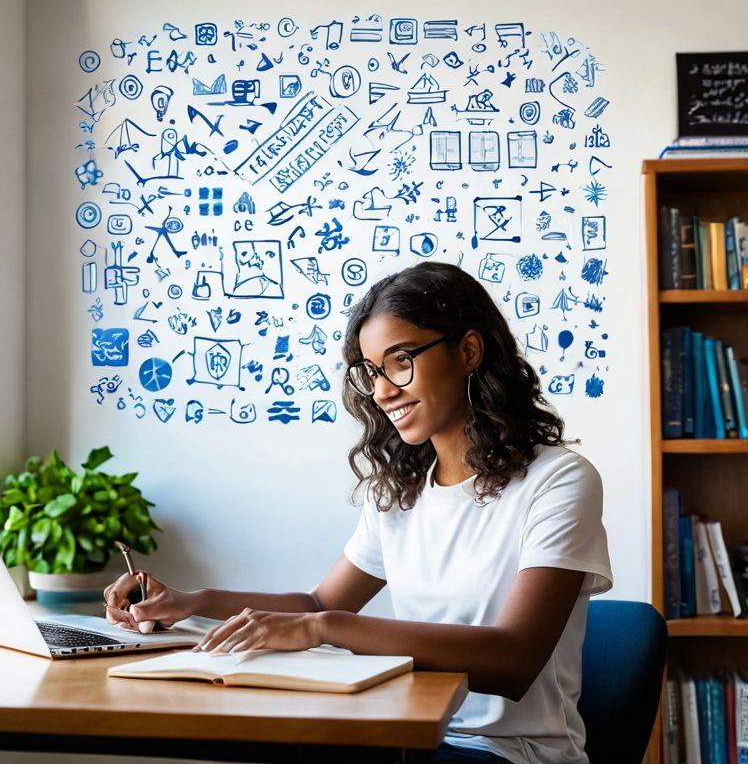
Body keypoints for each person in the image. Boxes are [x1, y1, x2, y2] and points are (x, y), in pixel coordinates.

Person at [103, 261, 613, 764]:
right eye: (371, 371)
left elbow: (514, 659)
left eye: (400, 360)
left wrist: (329, 627)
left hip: (512, 753)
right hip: (411, 733)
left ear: (468, 350)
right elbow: (318, 601)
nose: (384, 390)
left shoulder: (560, 481)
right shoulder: (400, 491)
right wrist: (193, 600)